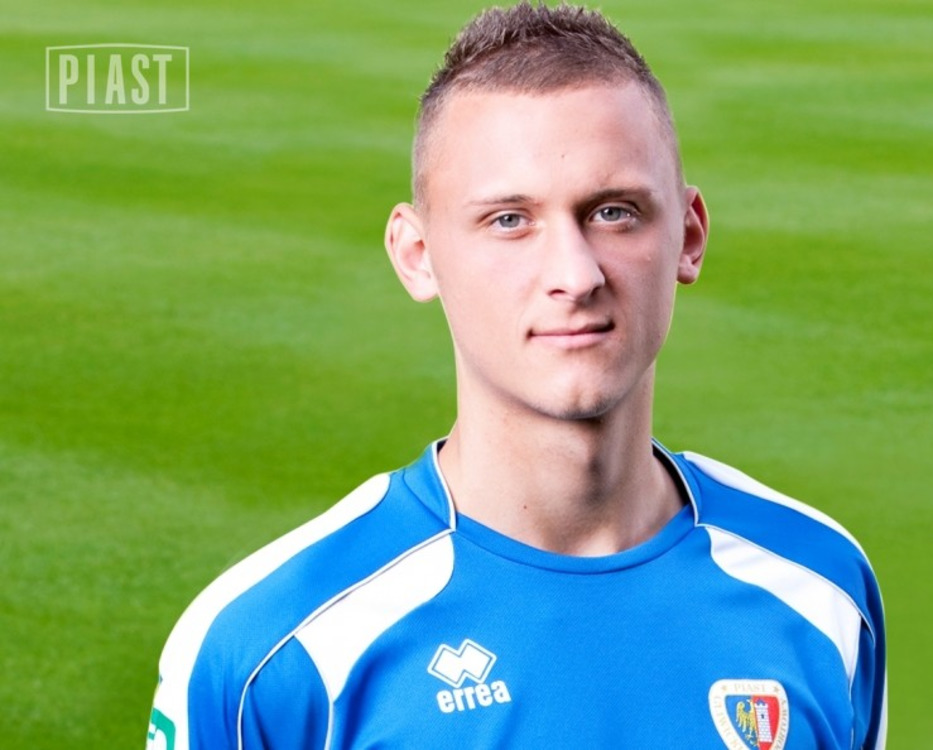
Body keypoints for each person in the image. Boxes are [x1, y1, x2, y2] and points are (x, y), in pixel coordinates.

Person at [146, 3, 886, 748]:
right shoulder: (271, 653)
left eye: (614, 212)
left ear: (688, 237)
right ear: (417, 255)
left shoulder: (821, 585)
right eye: (509, 220)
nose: (575, 274)